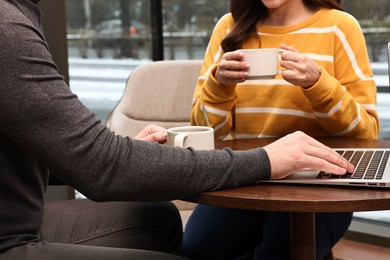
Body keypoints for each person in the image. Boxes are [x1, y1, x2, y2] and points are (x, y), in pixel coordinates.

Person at [0, 0, 354, 259]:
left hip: (314, 176)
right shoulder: (8, 28)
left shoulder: (341, 26)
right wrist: (260, 153)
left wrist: (318, 83)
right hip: (12, 237)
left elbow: (361, 126)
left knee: (160, 218)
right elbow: (204, 128)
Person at [184, 0, 379, 259]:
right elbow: (205, 134)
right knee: (195, 251)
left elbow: (366, 133)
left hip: (318, 185)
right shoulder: (229, 26)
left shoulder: (339, 27)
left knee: (279, 252)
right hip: (244, 178)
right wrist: (218, 86)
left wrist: (319, 85)